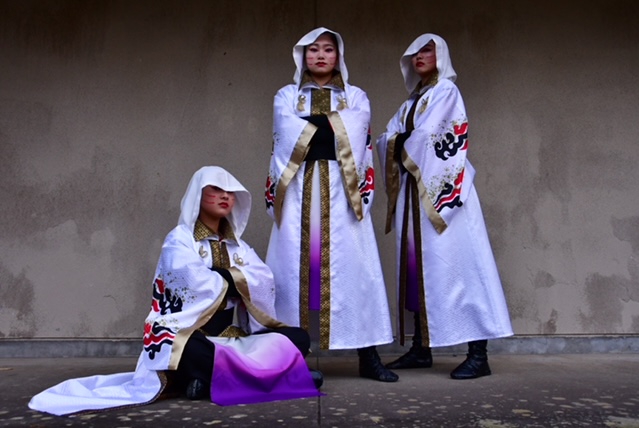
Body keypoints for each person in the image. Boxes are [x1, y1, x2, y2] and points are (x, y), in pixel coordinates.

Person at [29, 166, 322, 416]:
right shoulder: (179, 239)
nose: (225, 196)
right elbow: (192, 282)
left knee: (297, 337)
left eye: (230, 192)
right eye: (216, 189)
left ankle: (202, 381)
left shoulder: (239, 247)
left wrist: (225, 278)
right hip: (191, 334)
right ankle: (280, 376)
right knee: (186, 349)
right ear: (198, 194)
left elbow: (263, 280)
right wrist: (236, 279)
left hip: (232, 338)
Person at [376, 34, 513, 379]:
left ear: (442, 55)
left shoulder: (447, 92)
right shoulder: (411, 103)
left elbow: (425, 138)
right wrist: (397, 141)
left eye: (428, 50)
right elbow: (386, 138)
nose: (419, 56)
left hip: (446, 198)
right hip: (415, 198)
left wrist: (398, 141)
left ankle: (479, 354)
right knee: (418, 271)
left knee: (461, 268)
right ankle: (421, 348)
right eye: (415, 52)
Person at [264, 27, 397, 382]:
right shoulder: (287, 95)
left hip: (343, 193)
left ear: (338, 56)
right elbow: (288, 133)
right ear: (302, 56)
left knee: (356, 269)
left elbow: (356, 129)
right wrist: (331, 127)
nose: (320, 56)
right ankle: (288, 359)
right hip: (298, 191)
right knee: (291, 271)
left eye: (327, 49)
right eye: (313, 50)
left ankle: (368, 356)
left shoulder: (356, 95)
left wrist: (314, 127)